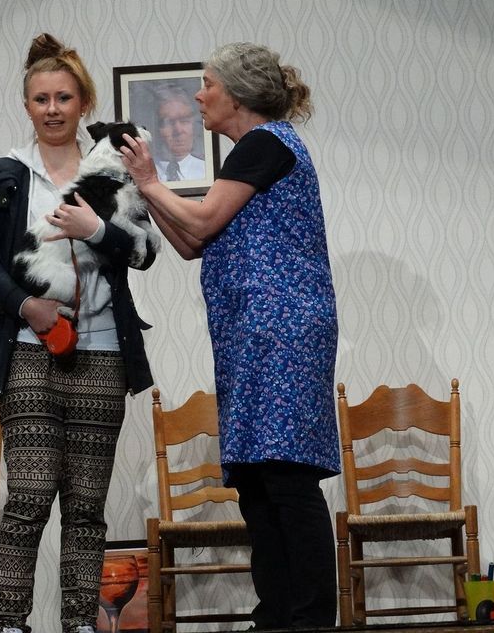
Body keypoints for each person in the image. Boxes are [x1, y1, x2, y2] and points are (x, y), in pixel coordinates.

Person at [120, 42, 339, 629]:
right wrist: (145, 189)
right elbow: (193, 242)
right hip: (253, 335)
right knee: (256, 479)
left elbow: (202, 218)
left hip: (283, 330)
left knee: (286, 475)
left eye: (208, 84)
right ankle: (276, 614)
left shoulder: (267, 143)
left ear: (238, 95)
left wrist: (149, 178)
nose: (199, 96)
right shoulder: (253, 151)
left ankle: (310, 619)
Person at [0, 33, 157, 633]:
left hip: (104, 354)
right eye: (41, 98)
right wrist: (26, 306)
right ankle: (10, 624)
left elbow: (145, 251)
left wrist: (96, 229)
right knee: (27, 498)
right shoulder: (6, 175)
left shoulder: (112, 168)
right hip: (27, 351)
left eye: (63, 97)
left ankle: (79, 624)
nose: (52, 109)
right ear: (27, 106)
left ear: (83, 102)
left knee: (86, 507)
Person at [150, 82, 206, 181]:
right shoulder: (145, 173)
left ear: (193, 125)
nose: (178, 130)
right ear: (157, 129)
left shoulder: (206, 172)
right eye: (169, 122)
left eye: (184, 120)